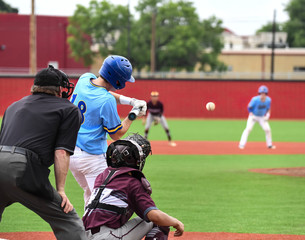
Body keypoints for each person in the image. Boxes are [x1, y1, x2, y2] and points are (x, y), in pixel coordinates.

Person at [0, 65, 87, 240]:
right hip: (22, 168)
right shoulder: (68, 109)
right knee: (69, 221)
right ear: (60, 89)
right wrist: (61, 190)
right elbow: (61, 152)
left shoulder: (13, 106)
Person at [69, 55, 147, 206]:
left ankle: (86, 228)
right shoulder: (106, 100)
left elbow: (102, 91)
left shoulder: (84, 79)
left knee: (90, 194)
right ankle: (98, 229)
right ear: (117, 80)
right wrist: (133, 114)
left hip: (70, 153)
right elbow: (117, 134)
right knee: (105, 201)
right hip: (92, 158)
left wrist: (131, 101)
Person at [83, 133, 184, 240]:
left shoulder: (101, 177)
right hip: (106, 237)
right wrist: (176, 222)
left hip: (82, 235)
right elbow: (155, 216)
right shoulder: (132, 182)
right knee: (159, 222)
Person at [239, 85, 276, 149]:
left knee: (267, 129)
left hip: (261, 117)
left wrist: (268, 115)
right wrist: (250, 112)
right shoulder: (255, 99)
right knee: (248, 129)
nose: (262, 95)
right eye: (261, 93)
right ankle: (241, 144)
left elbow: (268, 108)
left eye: (264, 93)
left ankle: (269, 145)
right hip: (253, 116)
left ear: (266, 94)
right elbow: (249, 106)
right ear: (259, 93)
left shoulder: (268, 100)